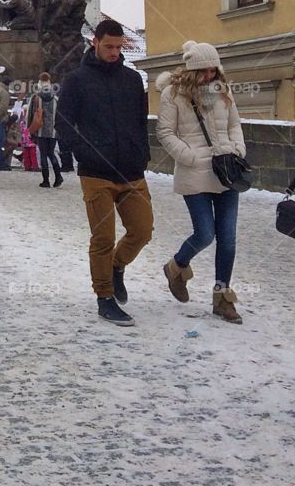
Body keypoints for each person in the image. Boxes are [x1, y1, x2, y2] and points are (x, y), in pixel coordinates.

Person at [57, 18, 153, 328]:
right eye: (108, 46)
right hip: (96, 171)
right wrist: (80, 152)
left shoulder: (131, 79)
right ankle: (105, 298)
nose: (114, 52)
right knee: (103, 238)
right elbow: (63, 123)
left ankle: (116, 267)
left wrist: (142, 153)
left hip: (131, 169)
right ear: (95, 42)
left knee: (142, 230)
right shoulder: (76, 80)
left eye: (118, 47)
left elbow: (140, 122)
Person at [156, 41, 246, 324]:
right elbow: (165, 132)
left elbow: (234, 124)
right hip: (194, 172)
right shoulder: (173, 93)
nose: (210, 75)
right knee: (205, 233)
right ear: (193, 70)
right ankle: (177, 267)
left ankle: (222, 298)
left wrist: (237, 149)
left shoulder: (224, 91)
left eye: (213, 69)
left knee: (228, 239)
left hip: (226, 171)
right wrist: (190, 156)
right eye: (205, 70)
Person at [27, 73, 63, 188]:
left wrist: (30, 129)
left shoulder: (36, 98)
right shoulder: (56, 98)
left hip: (41, 129)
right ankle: (58, 176)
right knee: (51, 153)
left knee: (43, 154)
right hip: (53, 130)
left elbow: (31, 114)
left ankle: (46, 180)